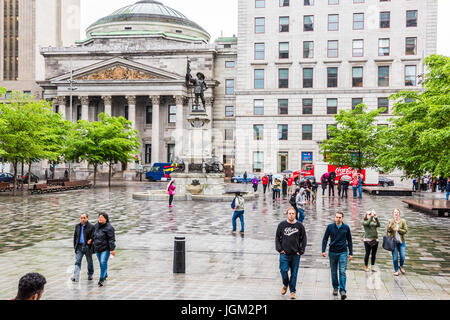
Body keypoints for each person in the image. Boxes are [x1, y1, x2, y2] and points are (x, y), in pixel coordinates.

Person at [275, 207, 307, 300]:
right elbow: (277, 237)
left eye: (293, 213)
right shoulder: (282, 225)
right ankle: (285, 284)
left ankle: (292, 291)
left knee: (294, 273)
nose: (291, 215)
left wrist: (301, 251)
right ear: (287, 214)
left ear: (295, 214)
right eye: (290, 213)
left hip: (295, 254)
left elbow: (304, 239)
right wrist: (279, 249)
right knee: (283, 270)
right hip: (284, 253)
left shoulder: (300, 226)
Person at [322, 211, 353, 300]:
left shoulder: (346, 227)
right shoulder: (330, 227)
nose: (338, 219)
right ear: (334, 217)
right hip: (332, 252)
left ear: (342, 218)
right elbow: (325, 239)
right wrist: (323, 250)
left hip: (343, 252)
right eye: (337, 217)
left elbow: (350, 240)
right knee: (334, 271)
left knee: (342, 271)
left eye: (340, 217)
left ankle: (342, 290)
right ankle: (335, 287)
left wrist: (351, 253)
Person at [93, 212, 116, 287]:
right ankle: (105, 274)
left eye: (102, 217)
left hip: (105, 249)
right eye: (99, 217)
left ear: (106, 219)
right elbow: (93, 235)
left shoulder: (109, 228)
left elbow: (111, 239)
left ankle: (101, 279)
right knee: (101, 263)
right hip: (97, 248)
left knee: (103, 262)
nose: (100, 218)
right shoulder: (96, 226)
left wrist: (112, 249)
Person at [71, 213, 94, 282]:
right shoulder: (77, 226)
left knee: (89, 261)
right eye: (81, 218)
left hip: (88, 247)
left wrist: (91, 240)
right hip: (79, 247)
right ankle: (76, 276)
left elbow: (94, 235)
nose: (82, 219)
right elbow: (75, 236)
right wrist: (75, 246)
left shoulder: (91, 226)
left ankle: (90, 274)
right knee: (77, 261)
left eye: (84, 218)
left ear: (87, 218)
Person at [387, 208, 408, 276]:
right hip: (394, 242)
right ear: (393, 214)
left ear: (399, 213)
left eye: (397, 212)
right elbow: (388, 231)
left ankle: (401, 266)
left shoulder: (403, 221)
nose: (396, 213)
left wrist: (398, 229)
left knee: (403, 256)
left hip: (402, 242)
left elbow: (405, 231)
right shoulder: (390, 221)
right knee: (395, 257)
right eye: (395, 212)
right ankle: (396, 270)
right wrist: (390, 226)